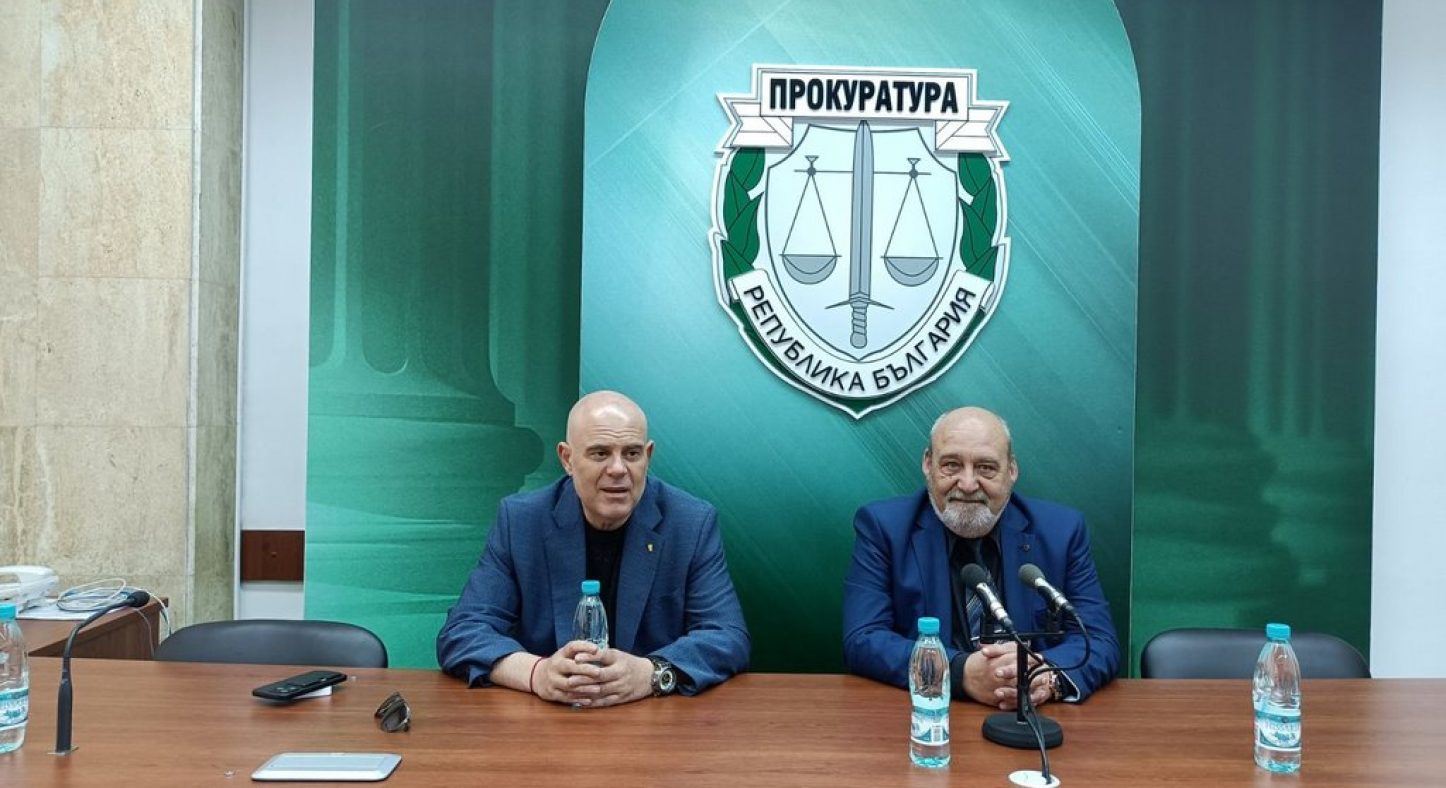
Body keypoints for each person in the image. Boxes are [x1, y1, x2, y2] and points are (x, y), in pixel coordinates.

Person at [437, 391, 750, 705]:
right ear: (567, 459)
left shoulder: (690, 523)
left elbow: (727, 636)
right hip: (548, 718)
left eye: (632, 454)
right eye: (600, 453)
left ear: (648, 456)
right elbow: (463, 631)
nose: (618, 469)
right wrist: (537, 673)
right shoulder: (521, 521)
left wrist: (651, 673)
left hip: (653, 717)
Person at [842, 406, 1120, 709]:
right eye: (951, 465)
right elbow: (863, 638)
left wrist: (1047, 676)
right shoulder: (884, 528)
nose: (968, 484)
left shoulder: (1062, 531)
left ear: (1011, 471)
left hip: (1034, 715)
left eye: (986, 468)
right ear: (928, 464)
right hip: (928, 714)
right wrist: (958, 672)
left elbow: (1099, 640)